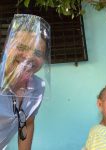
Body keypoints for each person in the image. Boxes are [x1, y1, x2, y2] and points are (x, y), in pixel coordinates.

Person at [0, 14, 50, 149]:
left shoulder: (38, 87)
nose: (29, 57)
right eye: (21, 47)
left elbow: (27, 123)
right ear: (7, 47)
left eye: (38, 54)